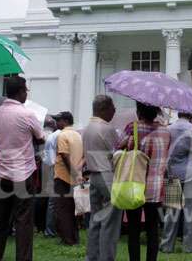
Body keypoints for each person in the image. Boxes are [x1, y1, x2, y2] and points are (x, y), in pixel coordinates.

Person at [0, 76, 45, 261]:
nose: (26, 93)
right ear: (20, 91)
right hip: (22, 173)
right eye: (26, 90)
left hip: (1, 172)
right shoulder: (27, 114)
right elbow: (41, 137)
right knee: (23, 221)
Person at [119, 102, 170, 261]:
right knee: (152, 229)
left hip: (135, 185)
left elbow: (121, 148)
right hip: (155, 187)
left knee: (133, 229)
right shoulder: (165, 131)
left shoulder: (133, 127)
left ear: (138, 111)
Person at [160, 112, 192, 253]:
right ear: (190, 115)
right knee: (190, 211)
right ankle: (188, 247)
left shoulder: (168, 129)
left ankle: (166, 245)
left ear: (178, 114)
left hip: (172, 172)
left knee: (172, 211)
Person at [84, 95, 121, 261]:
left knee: (95, 220)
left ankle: (92, 256)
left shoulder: (87, 127)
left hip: (94, 175)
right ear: (103, 109)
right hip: (107, 175)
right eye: (112, 108)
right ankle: (106, 258)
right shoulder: (107, 128)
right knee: (109, 223)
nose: (114, 111)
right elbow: (117, 152)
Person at [53, 111, 84, 245]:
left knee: (62, 210)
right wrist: (77, 172)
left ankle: (68, 239)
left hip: (63, 176)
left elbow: (64, 156)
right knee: (73, 209)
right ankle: (74, 238)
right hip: (76, 177)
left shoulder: (62, 135)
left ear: (65, 121)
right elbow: (85, 156)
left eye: (58, 120)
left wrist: (73, 172)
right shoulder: (78, 135)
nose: (56, 122)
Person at [42, 115, 64, 238]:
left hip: (51, 168)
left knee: (53, 201)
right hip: (56, 169)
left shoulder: (52, 136)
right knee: (54, 201)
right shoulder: (58, 135)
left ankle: (51, 229)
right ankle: (50, 230)